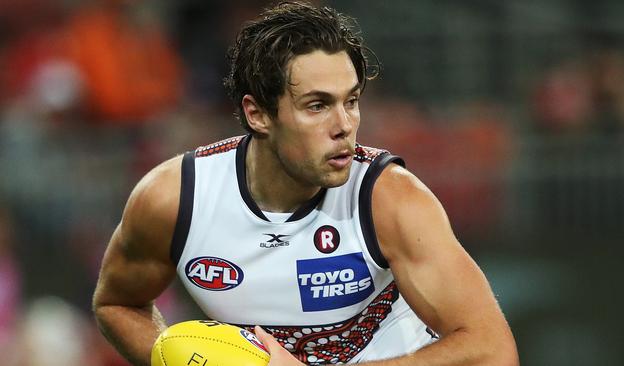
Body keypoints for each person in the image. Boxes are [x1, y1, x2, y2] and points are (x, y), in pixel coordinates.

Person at [92, 2, 519, 365]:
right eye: (317, 106)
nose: (345, 125)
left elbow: (493, 350)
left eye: (351, 101)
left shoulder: (390, 199)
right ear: (257, 114)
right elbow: (116, 304)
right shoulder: (175, 198)